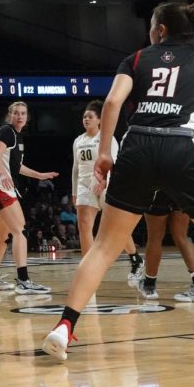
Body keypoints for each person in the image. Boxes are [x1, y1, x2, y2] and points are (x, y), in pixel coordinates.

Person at [42, 1, 194, 369]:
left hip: (136, 146)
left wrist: (106, 152)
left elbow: (111, 102)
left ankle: (64, 327)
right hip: (181, 146)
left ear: (159, 30)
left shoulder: (138, 59)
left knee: (104, 248)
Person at [0, 102, 60, 294]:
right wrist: (4, 174)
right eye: (16, 113)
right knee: (20, 231)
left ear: (27, 117)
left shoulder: (18, 137)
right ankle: (23, 281)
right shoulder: (6, 131)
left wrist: (39, 175)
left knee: (3, 236)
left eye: (23, 113)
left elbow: (17, 167)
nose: (20, 116)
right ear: (10, 115)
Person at [72, 100, 144, 284]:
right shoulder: (78, 140)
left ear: (99, 120)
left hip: (108, 184)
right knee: (84, 226)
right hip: (84, 185)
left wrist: (103, 183)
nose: (86, 119)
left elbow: (112, 165)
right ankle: (87, 270)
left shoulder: (108, 139)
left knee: (115, 228)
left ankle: (135, 257)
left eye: (90, 116)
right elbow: (75, 168)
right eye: (84, 117)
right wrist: (74, 191)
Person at [137, 196, 194, 301]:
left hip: (158, 188)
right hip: (180, 187)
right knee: (182, 236)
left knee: (155, 238)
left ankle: (149, 286)